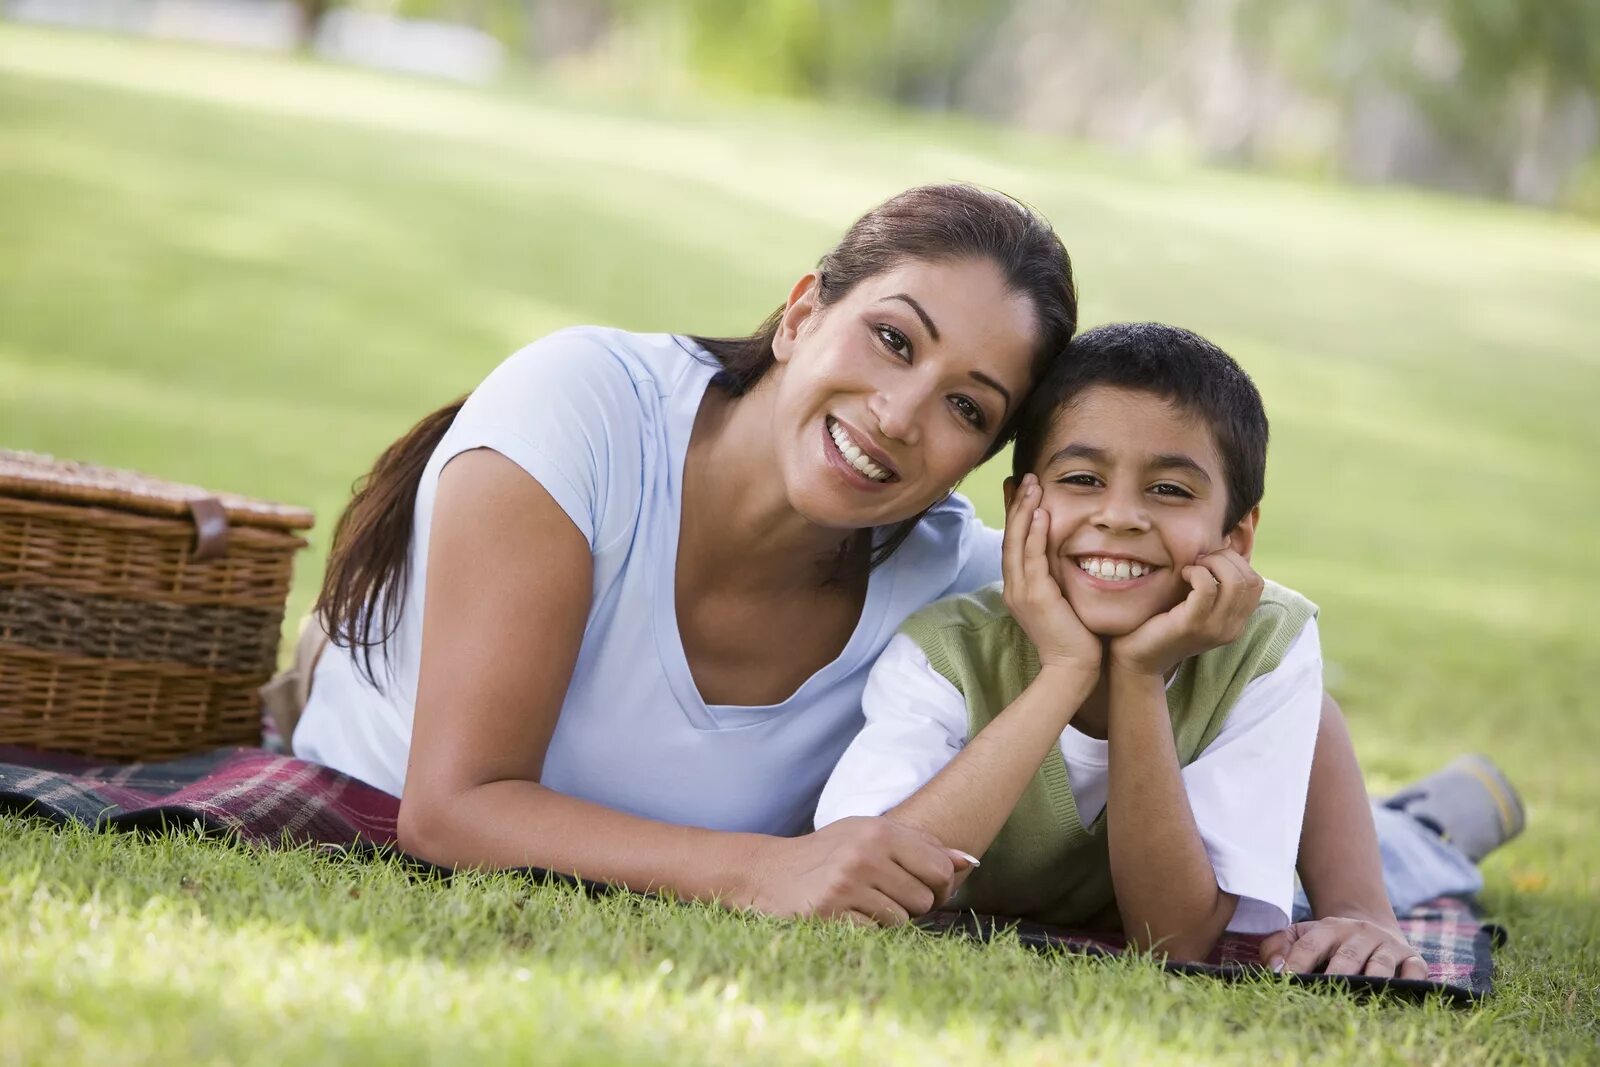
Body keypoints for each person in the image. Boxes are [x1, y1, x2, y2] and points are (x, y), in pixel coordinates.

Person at [284, 182, 1504, 974]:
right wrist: (767, 870)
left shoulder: (948, 565)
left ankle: (1416, 833)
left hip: (1229, 812)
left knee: (1246, 800)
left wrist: (1364, 910)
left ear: (988, 460)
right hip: (391, 760)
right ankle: (1429, 828)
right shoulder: (585, 408)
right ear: (805, 308)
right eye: (892, 337)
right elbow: (452, 809)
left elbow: (1264, 671)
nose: (901, 414)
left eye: (968, 406)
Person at [816, 323, 1522, 969]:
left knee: (1397, 858)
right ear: (1017, 505)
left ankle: (1437, 818)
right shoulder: (943, 655)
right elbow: (862, 880)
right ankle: (1421, 811)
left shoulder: (1265, 645)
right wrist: (1067, 668)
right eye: (1082, 478)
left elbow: (1176, 942)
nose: (1120, 515)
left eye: (1169, 489)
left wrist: (1139, 671)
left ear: (1235, 538)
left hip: (1272, 834)